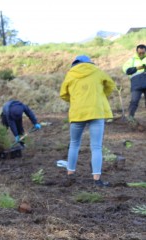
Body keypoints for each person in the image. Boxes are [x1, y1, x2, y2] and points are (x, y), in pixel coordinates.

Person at [59, 55, 115, 187]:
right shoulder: (98, 72)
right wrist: (100, 95)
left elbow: (63, 94)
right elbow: (111, 86)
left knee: (74, 144)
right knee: (96, 147)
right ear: (89, 62)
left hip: (77, 113)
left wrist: (74, 100)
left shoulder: (70, 74)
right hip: (96, 111)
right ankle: (97, 179)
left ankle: (70, 174)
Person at [121, 44, 146, 120]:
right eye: (139, 53)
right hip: (136, 84)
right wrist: (137, 68)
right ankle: (130, 118)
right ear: (136, 52)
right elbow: (127, 70)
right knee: (134, 101)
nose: (141, 54)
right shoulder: (131, 60)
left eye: (143, 53)